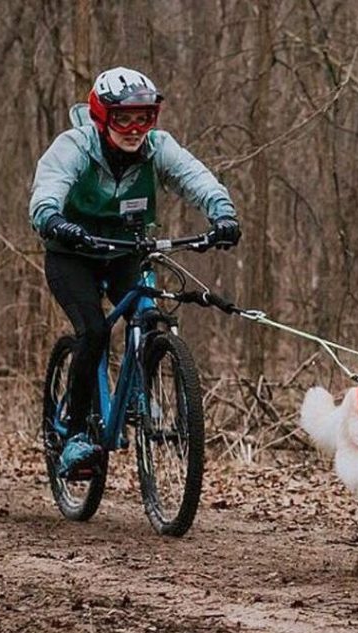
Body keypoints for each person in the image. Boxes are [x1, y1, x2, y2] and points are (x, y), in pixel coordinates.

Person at [29, 66, 241, 477]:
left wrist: (223, 213)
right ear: (101, 116)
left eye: (143, 117)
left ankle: (138, 393)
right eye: (123, 118)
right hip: (72, 252)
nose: (134, 128)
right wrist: (53, 219)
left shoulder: (157, 147)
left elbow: (193, 176)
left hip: (127, 249)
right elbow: (48, 189)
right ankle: (74, 434)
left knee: (147, 315)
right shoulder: (74, 146)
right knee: (93, 329)